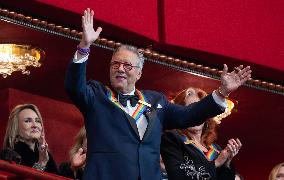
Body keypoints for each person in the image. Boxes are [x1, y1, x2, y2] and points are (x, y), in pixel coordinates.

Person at [64, 8, 252, 180]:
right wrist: (84, 46)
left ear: (139, 73)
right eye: (115, 64)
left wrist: (223, 92)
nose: (120, 69)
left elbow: (190, 115)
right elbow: (74, 87)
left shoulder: (156, 101)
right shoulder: (96, 95)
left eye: (127, 65)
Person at [161, 87, 242, 180]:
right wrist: (216, 163)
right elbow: (178, 176)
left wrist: (227, 162)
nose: (196, 115)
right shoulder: (171, 139)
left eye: (200, 111)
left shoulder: (216, 150)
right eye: (191, 110)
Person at [0, 104, 58, 174]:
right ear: (16, 128)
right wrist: (41, 163)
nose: (35, 125)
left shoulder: (46, 155)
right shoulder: (10, 156)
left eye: (38, 121)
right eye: (28, 121)